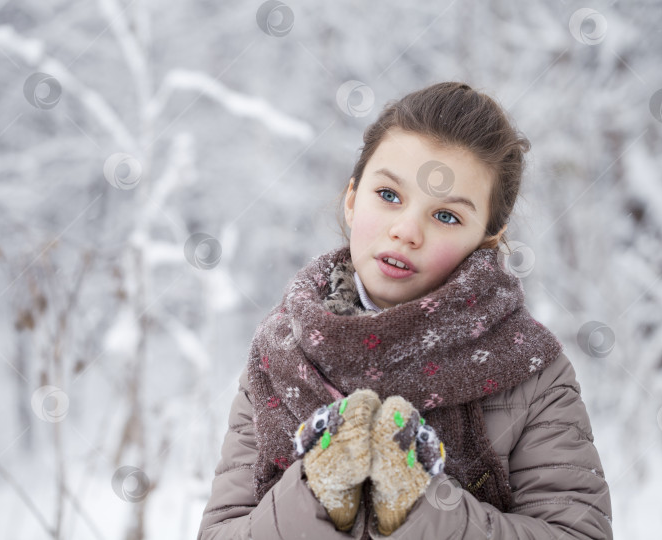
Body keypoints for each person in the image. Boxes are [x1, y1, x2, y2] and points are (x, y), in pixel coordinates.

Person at [196, 81, 613, 539]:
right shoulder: (280, 354)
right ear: (353, 199)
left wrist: (423, 506)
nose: (407, 230)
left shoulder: (532, 372)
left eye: (447, 216)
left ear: (487, 240)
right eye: (389, 196)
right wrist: (315, 491)